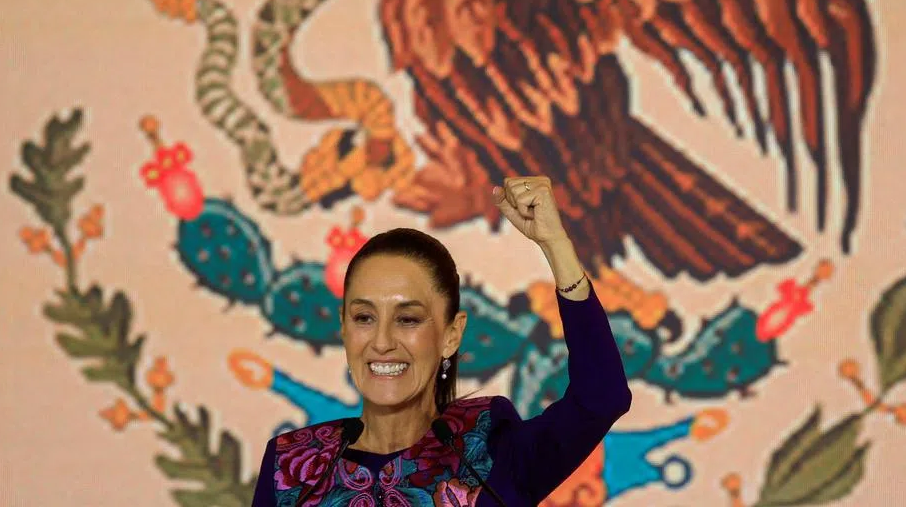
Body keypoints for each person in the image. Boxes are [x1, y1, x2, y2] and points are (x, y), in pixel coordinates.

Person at [250, 176, 632, 506]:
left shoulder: (493, 453)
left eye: (408, 319)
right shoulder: (293, 468)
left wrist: (555, 245)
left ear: (451, 335)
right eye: (364, 317)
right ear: (344, 329)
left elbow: (601, 398)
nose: (382, 341)